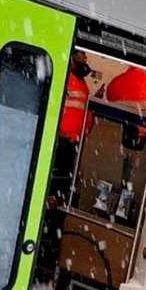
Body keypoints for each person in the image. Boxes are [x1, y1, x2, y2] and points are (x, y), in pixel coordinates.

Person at [52, 50, 94, 205]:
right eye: (83, 54)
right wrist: (62, 133)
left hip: (73, 143)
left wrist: (84, 132)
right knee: (57, 181)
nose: (86, 58)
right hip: (61, 140)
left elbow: (85, 111)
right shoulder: (65, 79)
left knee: (64, 182)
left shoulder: (82, 84)